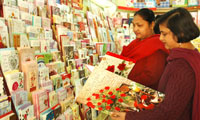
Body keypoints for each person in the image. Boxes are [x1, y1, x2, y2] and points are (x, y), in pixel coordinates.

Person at [111, 7, 200, 120]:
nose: (161, 38)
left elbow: (168, 112)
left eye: (164, 34)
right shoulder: (189, 56)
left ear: (180, 33)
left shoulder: (181, 66)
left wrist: (128, 117)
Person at [120, 8, 169, 90]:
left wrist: (126, 82)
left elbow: (151, 77)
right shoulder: (135, 43)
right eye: (133, 25)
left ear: (152, 25)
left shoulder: (157, 45)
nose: (135, 29)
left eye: (139, 25)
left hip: (144, 94)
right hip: (128, 88)